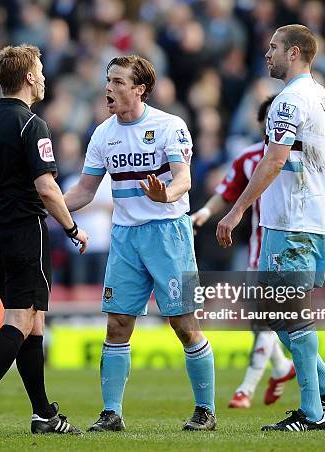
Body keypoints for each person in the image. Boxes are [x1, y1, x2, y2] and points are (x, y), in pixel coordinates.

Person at [64, 55, 216, 432]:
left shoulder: (169, 126)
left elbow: (184, 179)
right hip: (125, 237)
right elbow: (85, 190)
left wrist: (166, 195)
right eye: (108, 80)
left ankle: (205, 410)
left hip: (168, 233)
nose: (109, 88)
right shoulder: (103, 133)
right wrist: (44, 206)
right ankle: (111, 413)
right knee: (117, 325)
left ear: (139, 89)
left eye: (118, 81)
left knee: (183, 324)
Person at [215, 25, 325, 431]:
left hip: (293, 222)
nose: (266, 53)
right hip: (297, 219)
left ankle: (313, 411)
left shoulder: (289, 101)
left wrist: (237, 210)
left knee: (289, 312)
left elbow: (274, 160)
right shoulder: (320, 95)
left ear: (294, 52)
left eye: (273, 47)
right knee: (274, 311)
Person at [0, 44, 88, 436]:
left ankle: (43, 414)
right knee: (18, 319)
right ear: (29, 77)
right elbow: (46, 187)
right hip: (27, 230)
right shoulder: (33, 125)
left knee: (33, 323)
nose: (44, 76)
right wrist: (72, 228)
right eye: (40, 70)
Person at [192, 97, 325, 409]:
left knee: (278, 316)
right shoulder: (250, 158)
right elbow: (226, 192)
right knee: (268, 317)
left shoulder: (295, 153)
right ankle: (304, 376)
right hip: (261, 249)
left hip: (293, 239)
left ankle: (253, 391)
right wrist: (205, 213)